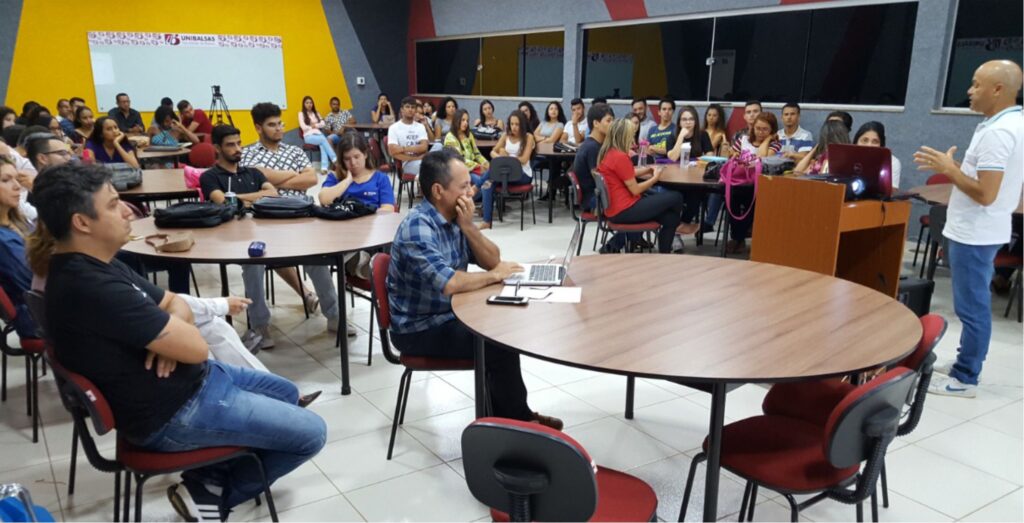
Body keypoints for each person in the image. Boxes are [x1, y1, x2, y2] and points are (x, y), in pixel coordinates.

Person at [27, 163, 327, 521]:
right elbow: (196, 347)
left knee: (288, 393)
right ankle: (211, 493)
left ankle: (212, 474)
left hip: (191, 382)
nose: (127, 211)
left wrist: (169, 337)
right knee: (312, 433)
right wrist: (172, 338)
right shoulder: (90, 286)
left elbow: (176, 303)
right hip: (170, 413)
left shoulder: (95, 263)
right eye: (113, 204)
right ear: (82, 222)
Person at [387, 148, 562, 429]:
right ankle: (516, 424)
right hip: (419, 328)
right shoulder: (418, 227)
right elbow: (450, 283)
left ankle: (511, 418)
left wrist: (469, 227)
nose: (472, 192)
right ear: (438, 190)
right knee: (497, 344)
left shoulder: (455, 218)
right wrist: (494, 276)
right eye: (464, 186)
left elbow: (493, 260)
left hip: (451, 313)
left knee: (503, 329)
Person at [916, 60, 1023, 398]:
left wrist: (949, 169)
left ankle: (965, 378)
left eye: (977, 84)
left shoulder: (998, 132)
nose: (969, 91)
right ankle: (965, 363)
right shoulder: (1011, 122)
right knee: (972, 304)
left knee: (972, 307)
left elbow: (986, 194)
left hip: (976, 232)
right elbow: (987, 180)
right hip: (982, 229)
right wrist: (957, 167)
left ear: (998, 89)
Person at [235, 108, 347, 343]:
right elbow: (257, 177)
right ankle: (260, 325)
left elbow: (311, 179)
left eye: (280, 124)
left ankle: (335, 317)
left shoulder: (295, 150)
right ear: (258, 127)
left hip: (299, 218)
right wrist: (293, 176)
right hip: (263, 222)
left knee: (318, 259)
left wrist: (270, 177)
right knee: (251, 264)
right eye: (272, 124)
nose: (279, 128)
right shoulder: (247, 155)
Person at [597, 119, 684, 254]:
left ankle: (665, 254)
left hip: (615, 209)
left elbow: (627, 173)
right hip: (625, 210)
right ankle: (683, 226)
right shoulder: (620, 157)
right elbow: (636, 189)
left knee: (671, 218)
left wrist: (648, 170)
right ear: (624, 136)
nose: (633, 138)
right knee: (676, 197)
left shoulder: (610, 153)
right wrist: (655, 178)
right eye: (631, 135)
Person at [318, 132, 396, 280]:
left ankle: (365, 263)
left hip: (372, 233)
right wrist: (347, 181)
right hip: (343, 235)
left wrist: (363, 215)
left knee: (388, 242)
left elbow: (388, 209)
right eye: (347, 159)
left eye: (356, 157)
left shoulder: (380, 178)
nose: (353, 163)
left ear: (365, 154)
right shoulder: (335, 178)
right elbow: (324, 199)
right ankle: (361, 263)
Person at [727, 112, 781, 255]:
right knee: (730, 198)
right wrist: (732, 154)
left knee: (754, 202)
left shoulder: (775, 144)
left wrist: (768, 139)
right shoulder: (743, 139)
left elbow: (761, 157)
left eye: (765, 129)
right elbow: (731, 155)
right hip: (739, 181)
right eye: (758, 128)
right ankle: (738, 237)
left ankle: (737, 238)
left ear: (772, 130)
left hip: (759, 184)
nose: (760, 132)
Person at [481, 110, 535, 229]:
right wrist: (500, 157)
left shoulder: (528, 137)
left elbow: (524, 159)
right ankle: (486, 221)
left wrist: (507, 157)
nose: (514, 127)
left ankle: (475, 187)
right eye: (512, 124)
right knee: (486, 186)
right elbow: (492, 152)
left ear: (522, 125)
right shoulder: (505, 135)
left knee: (491, 172)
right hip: (505, 172)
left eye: (517, 124)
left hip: (522, 174)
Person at [0, 157, 34, 338]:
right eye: (6, 180)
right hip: (38, 316)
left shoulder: (17, 220)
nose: (17, 186)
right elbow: (32, 283)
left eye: (16, 179)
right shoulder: (3, 241)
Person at [571, 103, 614, 211]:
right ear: (596, 123)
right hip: (595, 199)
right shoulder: (592, 147)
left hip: (596, 196)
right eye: (608, 121)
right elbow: (600, 179)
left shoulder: (594, 144)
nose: (612, 125)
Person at [386, 96, 430, 178]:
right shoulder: (393, 128)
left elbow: (424, 147)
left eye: (413, 107)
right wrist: (415, 158)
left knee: (438, 147)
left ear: (415, 110)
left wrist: (402, 148)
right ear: (401, 110)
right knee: (430, 168)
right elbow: (392, 151)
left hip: (421, 160)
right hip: (405, 164)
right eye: (407, 107)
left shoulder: (420, 127)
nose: (410, 109)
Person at [854, 121, 902, 188]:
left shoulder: (892, 162)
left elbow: (892, 190)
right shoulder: (847, 158)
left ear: (881, 145)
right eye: (865, 140)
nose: (869, 145)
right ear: (856, 142)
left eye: (875, 142)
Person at [298, 95, 337, 172]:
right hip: (308, 136)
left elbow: (323, 123)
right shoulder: (301, 114)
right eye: (307, 103)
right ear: (304, 104)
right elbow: (303, 127)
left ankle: (324, 168)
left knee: (322, 144)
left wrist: (315, 125)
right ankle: (334, 159)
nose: (309, 104)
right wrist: (312, 127)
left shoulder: (316, 113)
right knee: (323, 140)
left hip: (319, 135)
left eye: (311, 103)